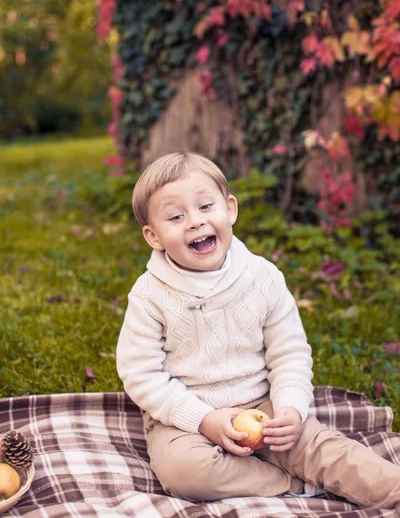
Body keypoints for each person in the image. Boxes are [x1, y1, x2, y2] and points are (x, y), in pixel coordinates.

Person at [116, 152, 400, 512]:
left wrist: (291, 409)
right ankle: (289, 483)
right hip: (187, 416)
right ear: (153, 236)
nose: (195, 222)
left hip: (262, 405)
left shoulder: (263, 278)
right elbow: (141, 374)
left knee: (326, 449)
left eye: (205, 206)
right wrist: (203, 419)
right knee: (185, 473)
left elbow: (290, 352)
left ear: (230, 209)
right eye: (176, 216)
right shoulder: (150, 295)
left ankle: (393, 489)